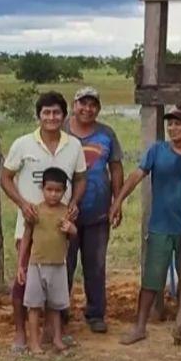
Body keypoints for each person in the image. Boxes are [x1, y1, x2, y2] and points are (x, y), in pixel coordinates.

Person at [110, 105, 181, 345]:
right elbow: (136, 176)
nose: (172, 128)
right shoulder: (157, 151)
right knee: (151, 279)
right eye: (170, 123)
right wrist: (118, 202)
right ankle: (140, 327)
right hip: (160, 226)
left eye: (178, 123)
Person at [0, 90, 87, 354]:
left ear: (64, 115)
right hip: (30, 224)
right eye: (46, 112)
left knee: (55, 279)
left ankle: (52, 333)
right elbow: (6, 177)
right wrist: (23, 204)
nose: (51, 117)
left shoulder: (73, 145)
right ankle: (20, 334)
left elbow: (81, 179)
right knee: (24, 279)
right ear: (38, 115)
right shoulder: (23, 144)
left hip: (59, 228)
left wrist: (74, 203)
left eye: (56, 112)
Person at [64, 86, 124, 334]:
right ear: (73, 104)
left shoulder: (106, 133)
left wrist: (117, 201)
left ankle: (96, 313)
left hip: (98, 212)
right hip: (64, 212)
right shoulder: (61, 130)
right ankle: (59, 310)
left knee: (95, 265)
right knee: (62, 264)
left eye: (92, 105)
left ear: (98, 108)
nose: (87, 109)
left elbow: (116, 168)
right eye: (82, 104)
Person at [16, 166, 77, 355]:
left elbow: (74, 234)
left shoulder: (67, 212)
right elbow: (26, 236)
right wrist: (21, 264)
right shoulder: (35, 211)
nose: (53, 194)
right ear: (42, 189)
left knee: (56, 305)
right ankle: (34, 343)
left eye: (58, 191)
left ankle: (57, 339)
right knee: (34, 306)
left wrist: (71, 229)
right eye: (49, 190)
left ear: (64, 192)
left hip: (59, 264)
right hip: (36, 264)